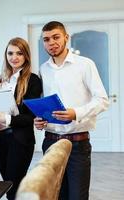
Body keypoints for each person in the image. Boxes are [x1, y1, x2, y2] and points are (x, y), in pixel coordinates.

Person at [34, 21, 109, 200]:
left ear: (66, 38)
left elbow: (102, 100)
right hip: (50, 143)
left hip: (77, 145)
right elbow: (44, 105)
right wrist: (39, 120)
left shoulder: (85, 65)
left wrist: (76, 113)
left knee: (78, 196)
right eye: (46, 39)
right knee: (56, 195)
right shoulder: (43, 70)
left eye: (56, 37)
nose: (51, 42)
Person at [0, 37, 42, 200]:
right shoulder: (0, 80)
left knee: (15, 188)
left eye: (19, 53)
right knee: (7, 186)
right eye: (10, 53)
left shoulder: (32, 80)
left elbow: (30, 117)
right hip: (1, 139)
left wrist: (6, 119)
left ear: (26, 55)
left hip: (20, 141)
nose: (14, 57)